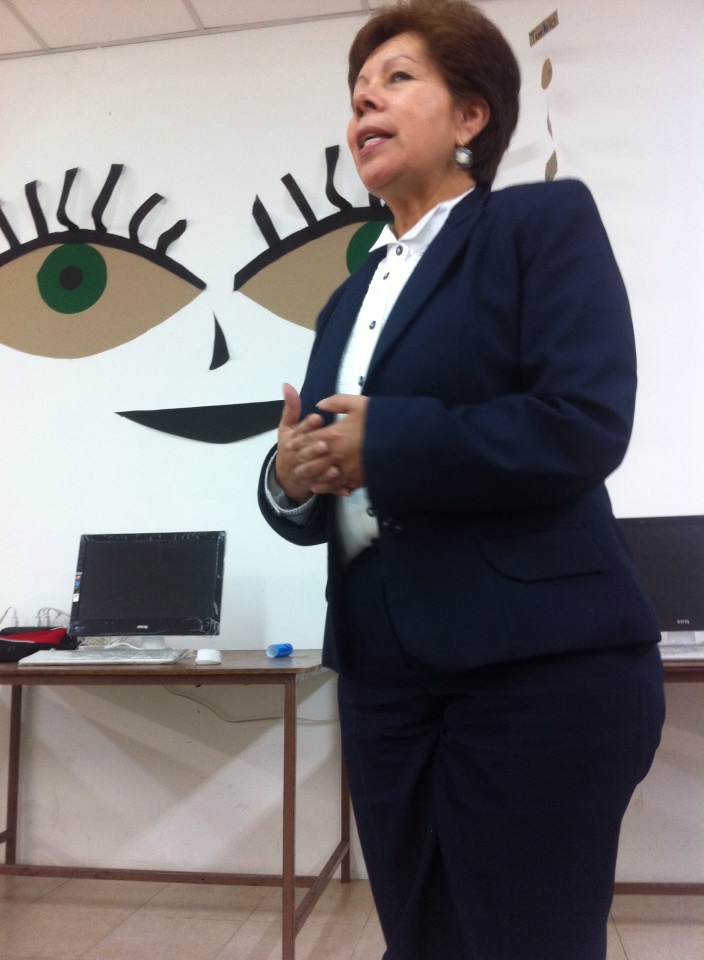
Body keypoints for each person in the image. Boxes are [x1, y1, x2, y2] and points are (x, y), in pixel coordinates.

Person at [257, 2, 665, 957]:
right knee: (421, 938)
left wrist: (388, 442)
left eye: (396, 78)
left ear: (471, 116)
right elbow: (330, 466)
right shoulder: (343, 301)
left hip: (537, 664)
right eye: (357, 89)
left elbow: (583, 421)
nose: (364, 100)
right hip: (382, 676)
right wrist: (290, 476)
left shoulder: (537, 223)